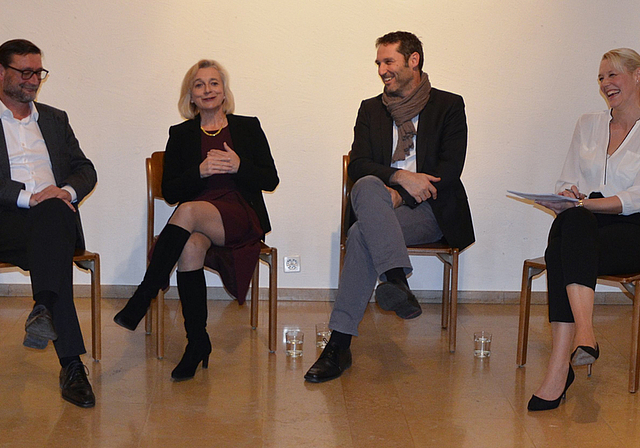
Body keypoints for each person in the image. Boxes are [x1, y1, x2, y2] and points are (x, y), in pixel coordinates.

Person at [304, 31, 474, 383]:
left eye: (389, 61)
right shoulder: (371, 109)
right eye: (379, 63)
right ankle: (396, 279)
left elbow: (449, 170)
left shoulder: (448, 105)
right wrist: (399, 177)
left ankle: (339, 345)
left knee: (359, 232)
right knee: (366, 186)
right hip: (379, 203)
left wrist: (404, 193)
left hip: (431, 211)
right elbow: (360, 165)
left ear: (413, 61)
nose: (382, 70)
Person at [114, 59, 279, 382]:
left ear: (224, 90)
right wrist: (199, 172)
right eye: (199, 84)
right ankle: (197, 342)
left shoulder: (247, 126)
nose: (207, 90)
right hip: (200, 216)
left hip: (240, 214)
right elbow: (171, 190)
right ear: (190, 95)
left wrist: (238, 166)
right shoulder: (181, 134)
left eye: (214, 83)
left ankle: (144, 294)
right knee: (189, 247)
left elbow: (270, 179)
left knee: (188, 211)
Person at [529, 48, 640, 411]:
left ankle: (560, 368)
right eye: (601, 77)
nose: (606, 83)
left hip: (632, 228)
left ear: (638, 76)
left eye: (613, 75)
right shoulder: (588, 124)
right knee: (571, 225)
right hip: (586, 224)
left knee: (563, 241)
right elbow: (566, 178)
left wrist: (587, 204)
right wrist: (569, 194)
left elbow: (636, 197)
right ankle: (584, 337)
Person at [0, 40, 97, 407]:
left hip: (52, 220)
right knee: (54, 256)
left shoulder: (55, 119)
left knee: (56, 213)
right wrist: (30, 196)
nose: (33, 80)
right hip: (6, 221)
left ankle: (44, 309)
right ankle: (71, 366)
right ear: (1, 72)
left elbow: (85, 170)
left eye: (38, 72)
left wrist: (64, 191)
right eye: (24, 72)